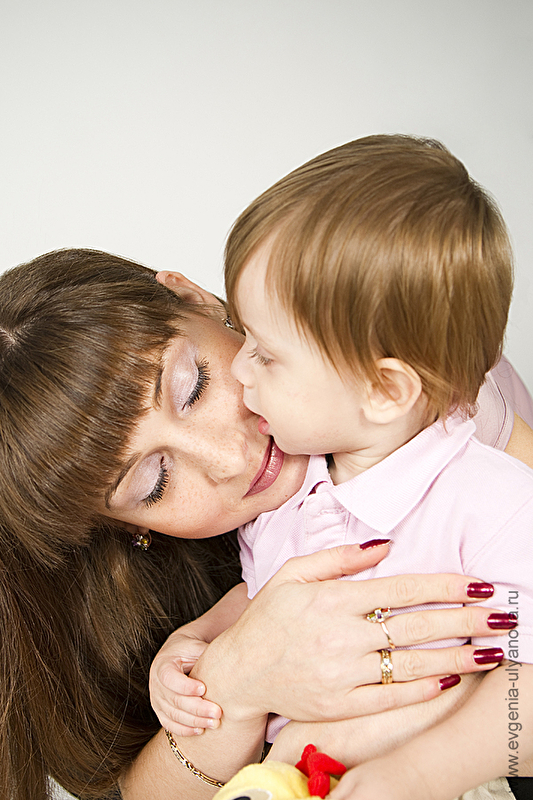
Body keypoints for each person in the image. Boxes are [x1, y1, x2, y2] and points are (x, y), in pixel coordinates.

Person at [0, 251, 532, 800]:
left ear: (195, 298)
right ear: (123, 526)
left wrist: (418, 750)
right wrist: (220, 666)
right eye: (154, 483)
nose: (230, 459)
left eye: (194, 387)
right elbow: (263, 601)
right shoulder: (270, 527)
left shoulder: (434, 405)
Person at [150, 135, 533, 800]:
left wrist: (419, 773)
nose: (241, 369)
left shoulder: (488, 500)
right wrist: (199, 637)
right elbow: (270, 600)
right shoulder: (294, 494)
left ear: (383, 391)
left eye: (266, 355)